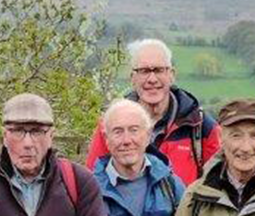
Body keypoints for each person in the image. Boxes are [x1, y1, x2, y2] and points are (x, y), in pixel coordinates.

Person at [84, 38, 220, 185]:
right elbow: (93, 182)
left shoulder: (200, 126)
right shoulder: (111, 124)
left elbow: (218, 185)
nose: (152, 79)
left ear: (171, 75)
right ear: (133, 78)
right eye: (144, 71)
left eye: (159, 70)